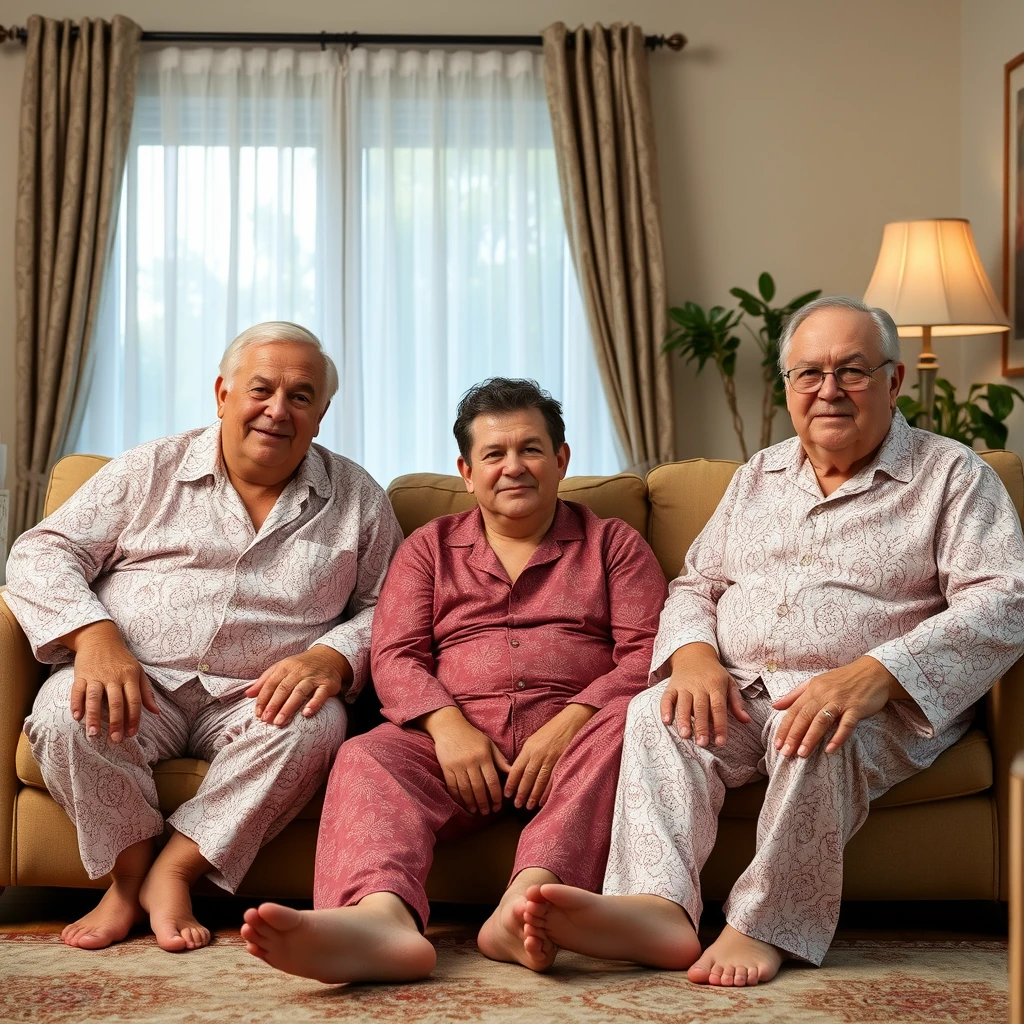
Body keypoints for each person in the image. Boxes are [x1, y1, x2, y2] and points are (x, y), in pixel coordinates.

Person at [520, 296, 1024, 985]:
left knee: (817, 730)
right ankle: (657, 908)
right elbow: (697, 582)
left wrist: (878, 672)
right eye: (808, 374)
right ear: (787, 386)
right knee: (653, 714)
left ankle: (765, 925)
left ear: (894, 380)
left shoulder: (954, 475)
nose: (829, 390)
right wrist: (694, 657)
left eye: (852, 371)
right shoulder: (758, 475)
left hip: (874, 703)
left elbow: (1006, 597)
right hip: (743, 689)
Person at [240, 377, 668, 983]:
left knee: (631, 722)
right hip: (455, 743)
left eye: (531, 450)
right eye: (494, 454)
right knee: (365, 756)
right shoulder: (428, 548)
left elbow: (648, 655)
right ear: (467, 471)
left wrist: (570, 722)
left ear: (561, 459)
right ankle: (379, 922)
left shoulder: (613, 545)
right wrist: (448, 729)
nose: (513, 467)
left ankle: (525, 907)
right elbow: (395, 655)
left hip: (579, 744)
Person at [4, 321, 403, 953]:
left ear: (321, 415)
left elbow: (393, 606)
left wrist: (333, 654)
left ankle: (175, 870)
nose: (277, 410)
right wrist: (93, 636)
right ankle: (129, 874)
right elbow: (40, 552)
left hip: (256, 697)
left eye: (300, 397)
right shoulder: (150, 468)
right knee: (62, 713)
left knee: (315, 724)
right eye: (261, 389)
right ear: (223, 394)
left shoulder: (357, 499)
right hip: (137, 679)